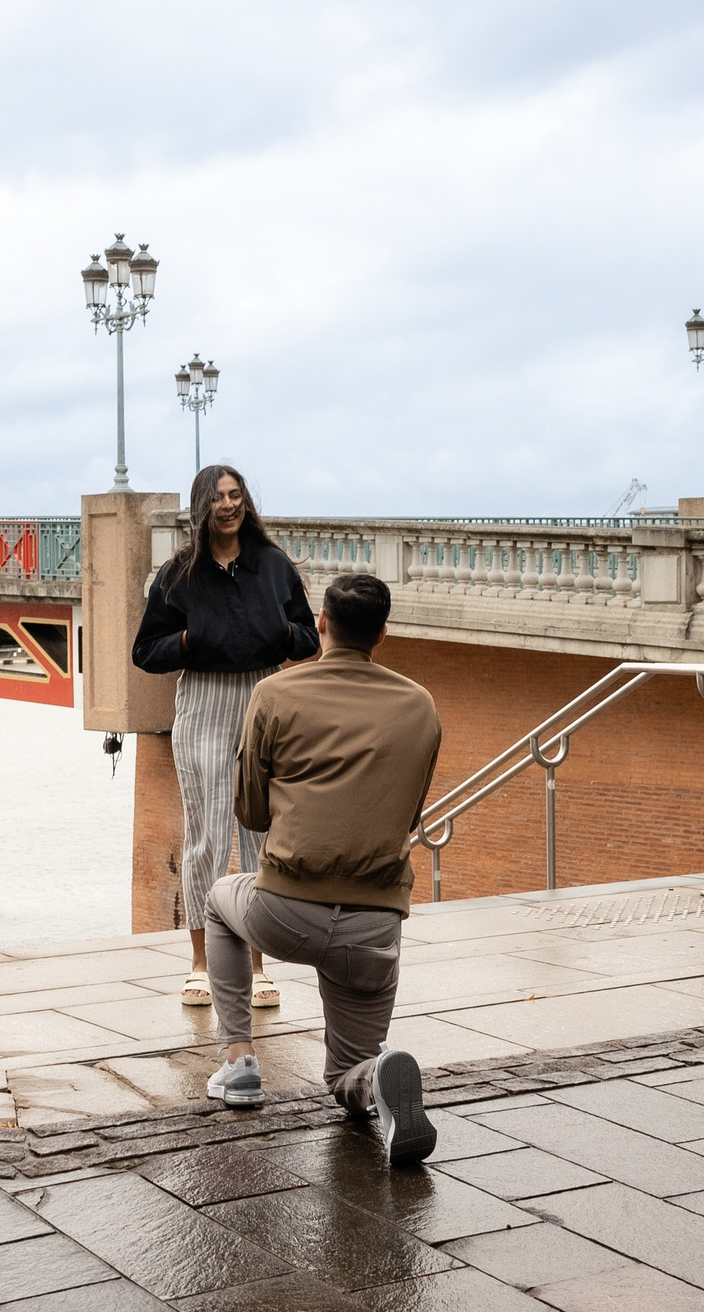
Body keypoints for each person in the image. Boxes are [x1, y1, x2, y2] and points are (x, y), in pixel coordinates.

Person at [201, 572, 441, 1166]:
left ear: (321, 625)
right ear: (383, 633)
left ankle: (238, 1066)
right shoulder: (420, 706)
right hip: (375, 923)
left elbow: (251, 813)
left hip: (286, 911)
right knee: (344, 1076)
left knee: (217, 899)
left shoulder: (276, 694)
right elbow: (407, 812)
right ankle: (377, 1076)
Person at [134, 464, 319, 1010]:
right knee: (207, 839)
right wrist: (190, 639)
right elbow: (146, 651)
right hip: (205, 704)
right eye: (218, 497)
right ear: (202, 507)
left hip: (263, 699)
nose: (229, 504)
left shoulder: (272, 565)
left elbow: (308, 637)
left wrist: (281, 633)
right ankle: (202, 962)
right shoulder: (179, 575)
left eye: (237, 495)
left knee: (260, 837)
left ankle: (258, 964)